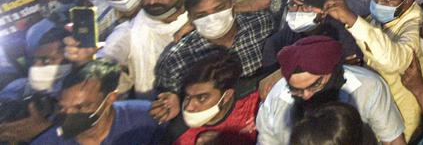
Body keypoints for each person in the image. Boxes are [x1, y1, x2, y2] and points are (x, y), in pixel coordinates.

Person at [321, 0, 423, 142]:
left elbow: (392, 60)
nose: (379, 3)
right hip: (374, 111)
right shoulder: (380, 17)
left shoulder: (416, 26)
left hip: (401, 123)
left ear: (407, 2)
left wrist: (351, 19)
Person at [256, 35, 406, 145]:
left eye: (314, 85)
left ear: (331, 70)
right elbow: (266, 140)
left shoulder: (369, 87)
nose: (306, 96)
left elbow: (393, 140)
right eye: (297, 90)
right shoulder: (277, 96)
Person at [33, 59, 161, 144]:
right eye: (63, 108)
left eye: (80, 107)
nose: (69, 116)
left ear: (110, 99)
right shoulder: (49, 142)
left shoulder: (149, 118)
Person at [167, 51, 258, 145]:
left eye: (201, 98)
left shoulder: (256, 96)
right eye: (188, 97)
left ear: (227, 95)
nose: (189, 107)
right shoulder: (178, 134)